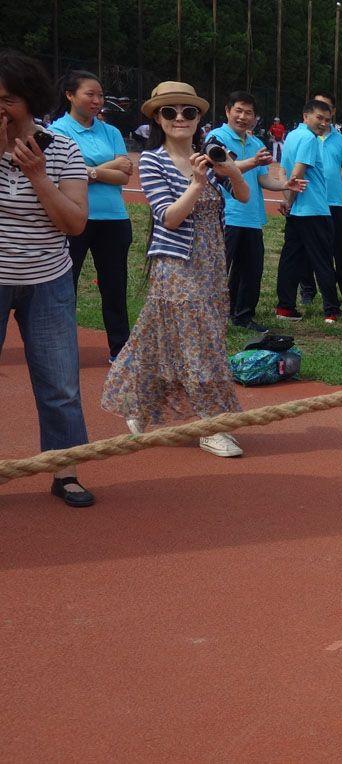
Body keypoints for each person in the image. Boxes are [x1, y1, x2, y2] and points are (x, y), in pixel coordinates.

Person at [101, 80, 250, 458]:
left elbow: (243, 196)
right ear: (157, 118)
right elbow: (167, 217)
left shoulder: (208, 156)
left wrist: (231, 170)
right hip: (176, 266)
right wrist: (197, 184)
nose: (180, 118)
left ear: (199, 118)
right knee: (202, 345)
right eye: (170, 112)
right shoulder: (153, 161)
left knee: (163, 341)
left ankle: (139, 404)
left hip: (212, 264)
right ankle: (210, 426)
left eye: (189, 111)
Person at [0, 49, 93, 506]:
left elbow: (74, 223)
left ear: (30, 100)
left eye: (7, 99)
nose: (0, 109)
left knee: (60, 382)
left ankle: (65, 469)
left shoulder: (62, 149)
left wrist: (38, 175)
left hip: (48, 280)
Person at [49, 70, 133, 363]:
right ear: (70, 95)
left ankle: (120, 349)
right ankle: (61, 349)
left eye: (100, 95)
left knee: (114, 287)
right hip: (74, 217)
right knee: (64, 286)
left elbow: (125, 174)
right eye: (90, 94)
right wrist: (106, 169)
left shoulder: (111, 132)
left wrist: (88, 170)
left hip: (114, 219)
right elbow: (61, 174)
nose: (97, 100)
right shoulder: (57, 131)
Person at [209, 90, 303, 333]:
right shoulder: (216, 137)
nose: (243, 117)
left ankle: (243, 315)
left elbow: (263, 179)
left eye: (248, 113)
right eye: (238, 111)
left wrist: (285, 184)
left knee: (251, 271)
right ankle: (212, 315)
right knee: (220, 268)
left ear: (254, 117)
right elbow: (221, 167)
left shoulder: (256, 144)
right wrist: (253, 161)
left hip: (251, 217)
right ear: (227, 111)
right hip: (227, 215)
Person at [274, 99, 341, 324]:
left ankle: (285, 307)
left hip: (298, 212)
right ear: (305, 116)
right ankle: (331, 310)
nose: (323, 123)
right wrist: (290, 200)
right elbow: (297, 174)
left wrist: (287, 201)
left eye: (327, 120)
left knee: (290, 259)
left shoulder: (291, 136)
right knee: (322, 260)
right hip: (315, 210)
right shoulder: (309, 139)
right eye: (319, 118)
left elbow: (282, 172)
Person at [300, 92, 342, 310]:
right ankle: (307, 290)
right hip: (309, 202)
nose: (322, 116)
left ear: (332, 112)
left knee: (341, 250)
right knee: (307, 250)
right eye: (317, 108)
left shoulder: (341, 140)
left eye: (326, 109)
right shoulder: (303, 136)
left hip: (334, 203)